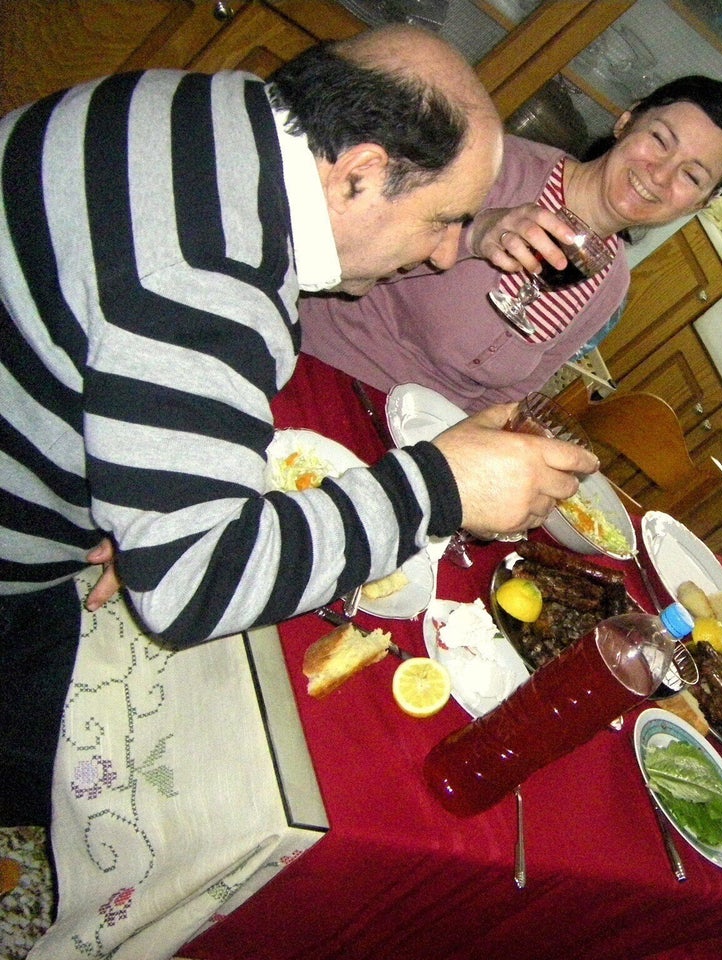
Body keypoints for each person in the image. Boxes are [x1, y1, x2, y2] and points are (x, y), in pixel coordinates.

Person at [0, 25, 598, 829]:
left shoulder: (209, 102)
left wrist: (133, 487)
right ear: (360, 173)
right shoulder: (216, 278)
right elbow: (192, 589)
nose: (448, 254)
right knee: (138, 779)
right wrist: (439, 484)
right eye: (444, 221)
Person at [297, 75, 722, 412]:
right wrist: (472, 235)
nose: (661, 174)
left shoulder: (610, 285)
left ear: (700, 203)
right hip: (322, 371)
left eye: (692, 176)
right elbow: (344, 252)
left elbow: (511, 394)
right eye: (659, 140)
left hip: (416, 436)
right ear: (625, 122)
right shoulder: (498, 166)